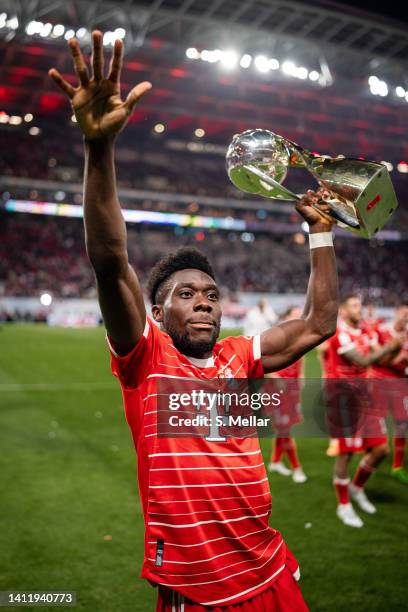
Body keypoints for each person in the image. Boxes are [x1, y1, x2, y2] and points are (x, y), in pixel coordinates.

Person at [49, 31, 338, 611]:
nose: (204, 301)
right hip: (200, 590)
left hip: (272, 571)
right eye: (186, 294)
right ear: (157, 313)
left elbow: (318, 322)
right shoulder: (147, 358)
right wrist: (98, 148)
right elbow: (110, 259)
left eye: (210, 293)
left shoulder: (239, 356)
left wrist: (320, 232)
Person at [325, 295, 402, 528]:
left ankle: (356, 488)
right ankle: (343, 505)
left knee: (380, 449)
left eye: (360, 305)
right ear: (344, 310)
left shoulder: (366, 331)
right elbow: (363, 359)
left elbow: (384, 358)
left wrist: (396, 351)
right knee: (346, 454)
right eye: (355, 306)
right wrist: (389, 346)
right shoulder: (340, 334)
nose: (360, 309)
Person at [267, 306, 307, 483]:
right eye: (295, 316)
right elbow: (261, 360)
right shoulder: (276, 337)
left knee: (284, 428)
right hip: (278, 391)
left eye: (300, 317)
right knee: (285, 430)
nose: (299, 320)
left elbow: (301, 359)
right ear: (286, 318)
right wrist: (275, 377)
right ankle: (297, 468)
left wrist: (302, 376)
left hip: (293, 390)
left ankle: (275, 462)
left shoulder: (299, 339)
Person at [370, 304, 408, 484]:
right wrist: (395, 354)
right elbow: (381, 359)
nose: (405, 317)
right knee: (377, 424)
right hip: (379, 384)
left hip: (400, 386)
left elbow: (387, 359)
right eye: (404, 313)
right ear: (396, 312)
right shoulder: (381, 330)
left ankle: (397, 466)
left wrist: (388, 354)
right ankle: (372, 462)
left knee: (402, 426)